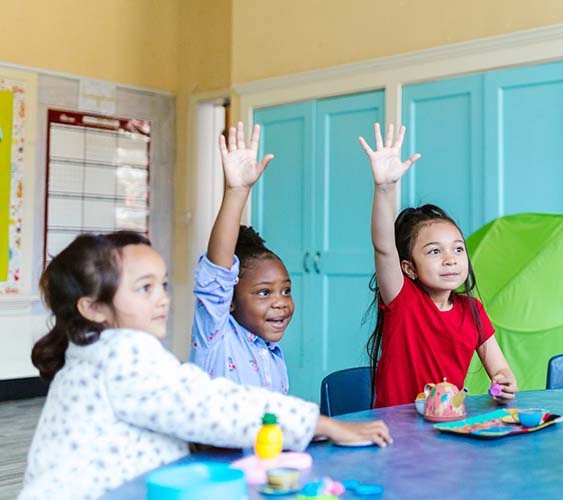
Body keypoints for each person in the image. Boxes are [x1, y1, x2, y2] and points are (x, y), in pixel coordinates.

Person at [21, 232, 391, 499]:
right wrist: (319, 423)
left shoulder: (95, 353)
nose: (163, 298)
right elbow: (211, 404)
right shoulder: (120, 355)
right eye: (144, 288)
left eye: (163, 285)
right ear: (93, 308)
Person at [357, 123, 518, 407]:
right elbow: (384, 247)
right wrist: (384, 189)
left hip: (448, 428)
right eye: (434, 251)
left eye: (458, 249)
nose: (450, 259)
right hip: (396, 432)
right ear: (409, 268)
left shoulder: (473, 310)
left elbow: (501, 370)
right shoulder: (402, 299)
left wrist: (504, 383)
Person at [190, 123, 292, 393]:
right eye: (264, 293)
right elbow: (217, 273)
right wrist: (237, 192)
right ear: (230, 301)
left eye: (285, 290)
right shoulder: (216, 337)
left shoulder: (272, 354)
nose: (280, 302)